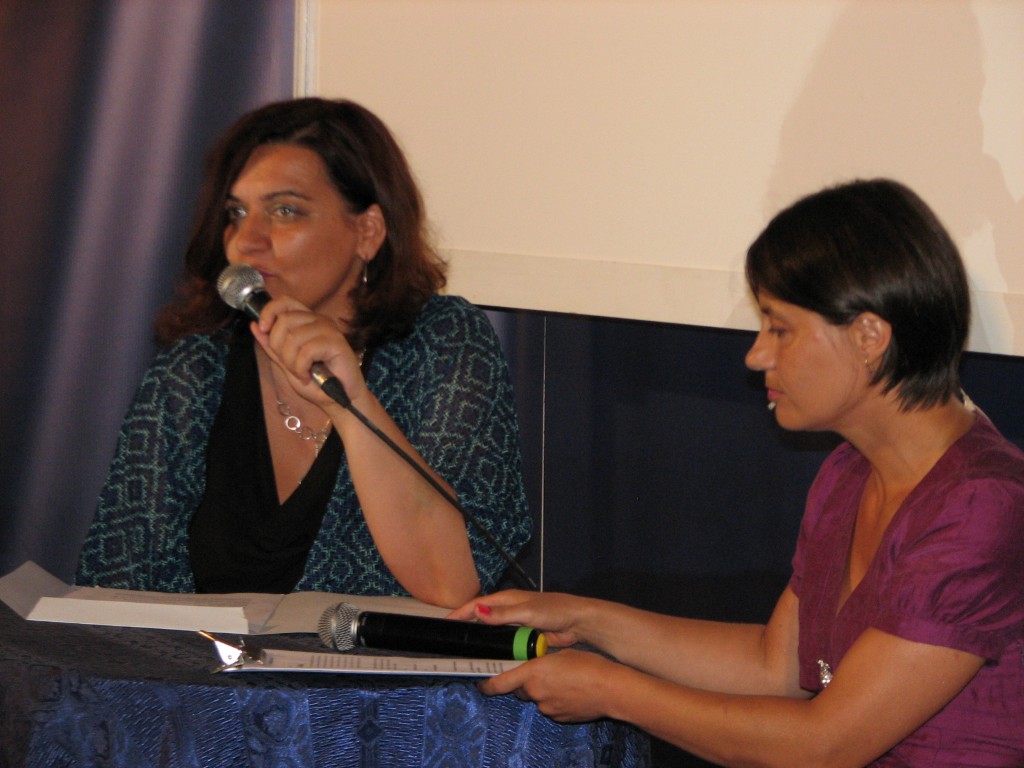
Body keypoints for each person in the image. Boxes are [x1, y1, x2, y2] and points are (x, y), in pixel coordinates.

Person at [451, 179, 1024, 765]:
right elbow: (775, 666)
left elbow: (823, 747)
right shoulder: (849, 473)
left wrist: (611, 690)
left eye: (780, 329)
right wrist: (583, 618)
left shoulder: (983, 506)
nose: (756, 355)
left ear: (869, 336)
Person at [75, 98, 531, 607]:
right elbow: (113, 589)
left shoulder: (442, 344)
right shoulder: (194, 371)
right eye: (236, 213)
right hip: (201, 662)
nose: (247, 242)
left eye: (285, 211)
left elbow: (451, 584)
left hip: (382, 664)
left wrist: (351, 406)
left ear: (367, 232)